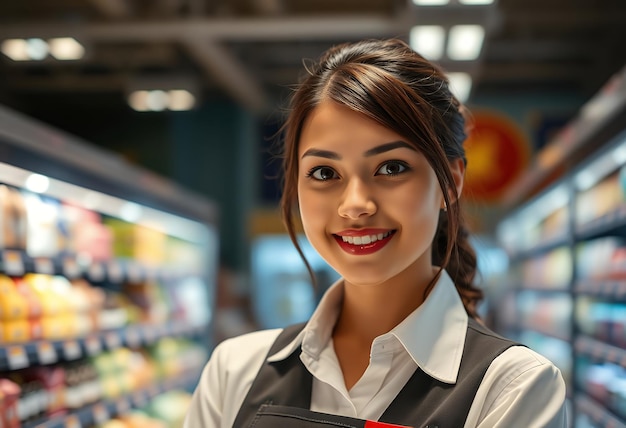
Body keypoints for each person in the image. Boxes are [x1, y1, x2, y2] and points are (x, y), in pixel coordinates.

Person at [184, 38, 567, 428]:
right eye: (324, 173)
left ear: (449, 184)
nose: (354, 204)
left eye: (391, 168)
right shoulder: (233, 373)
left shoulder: (513, 387)